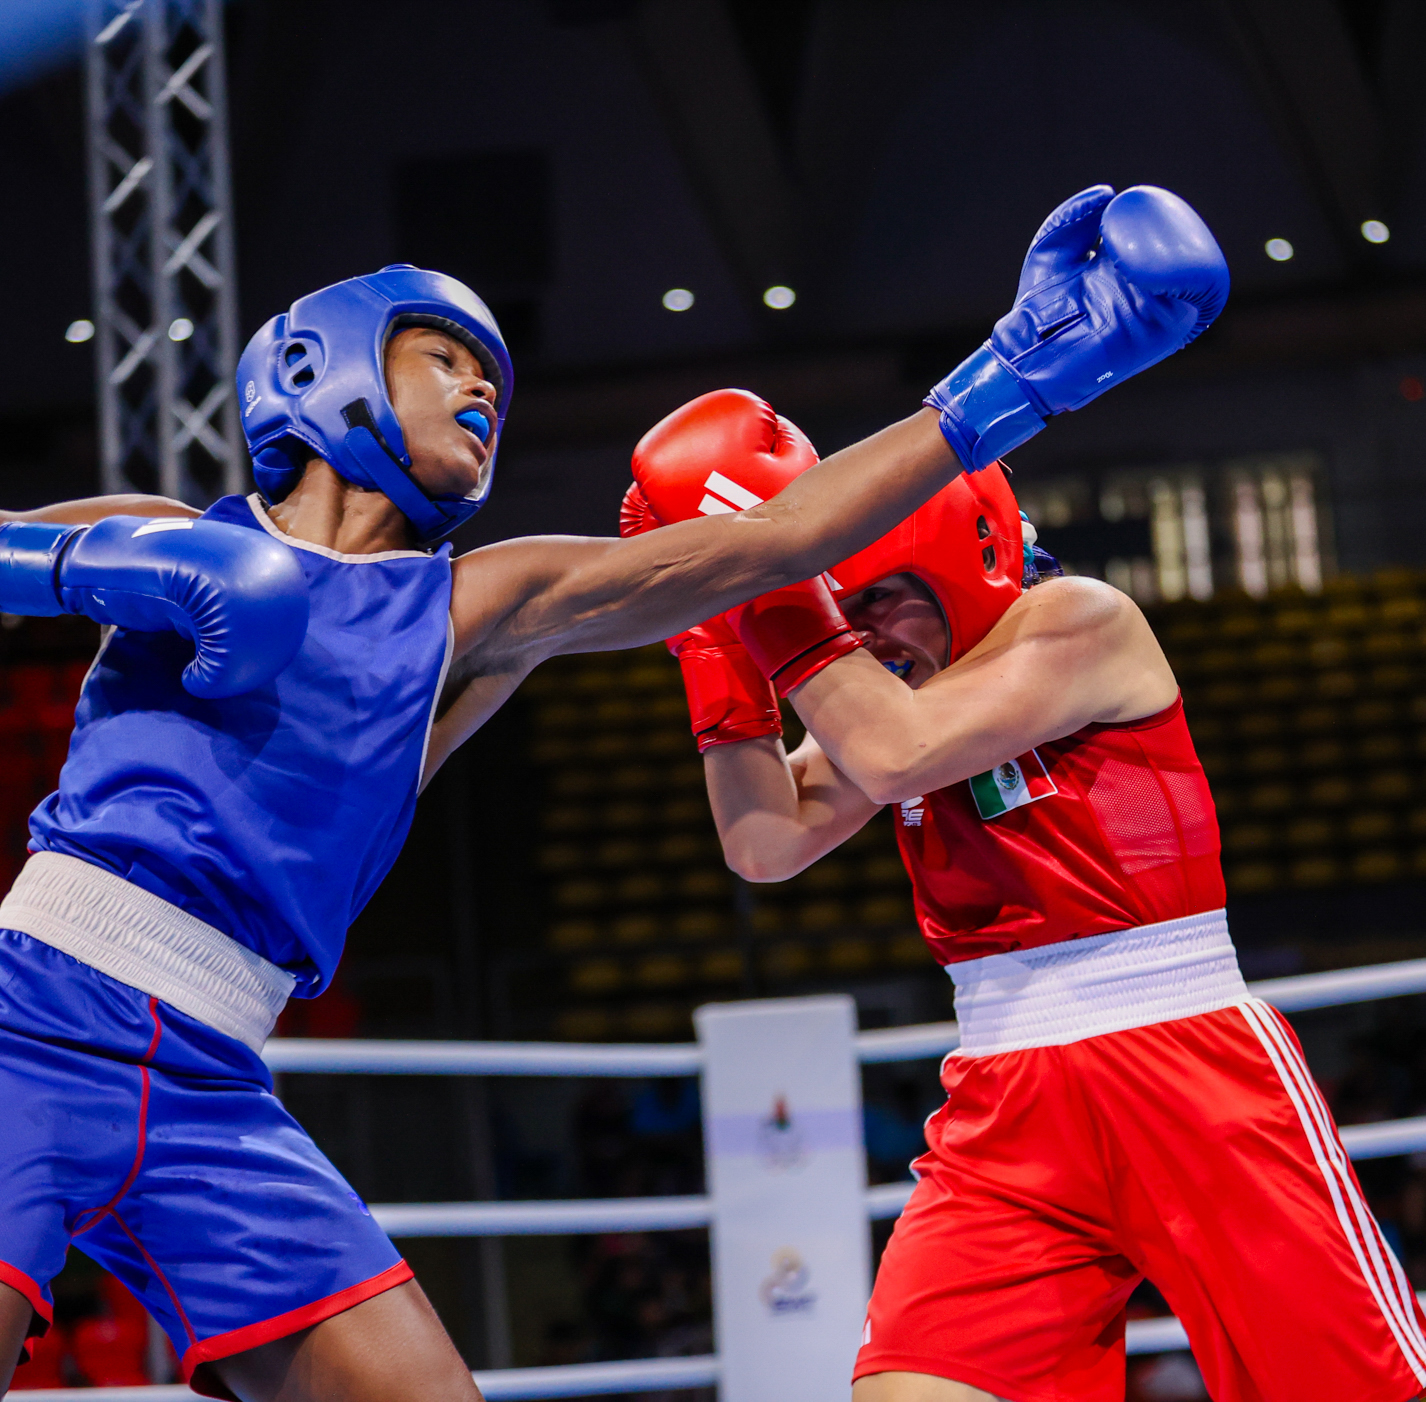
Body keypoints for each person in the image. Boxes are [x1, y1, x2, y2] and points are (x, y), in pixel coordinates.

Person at [0, 180, 1222, 1402]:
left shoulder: (476, 603)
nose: (484, 391)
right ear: (321, 366)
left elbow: (772, 542)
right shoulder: (162, 526)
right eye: (446, 358)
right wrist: (79, 560)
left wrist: (1021, 376)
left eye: (495, 379)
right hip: (28, 1022)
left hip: (216, 1075)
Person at [640, 311, 1426, 1399]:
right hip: (1007, 1096)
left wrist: (766, 582)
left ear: (965, 556)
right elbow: (765, 842)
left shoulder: (1076, 623)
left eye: (879, 601)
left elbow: (894, 753)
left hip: (1186, 1064)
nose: (864, 636)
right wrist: (711, 649)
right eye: (843, 607)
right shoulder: (891, 692)